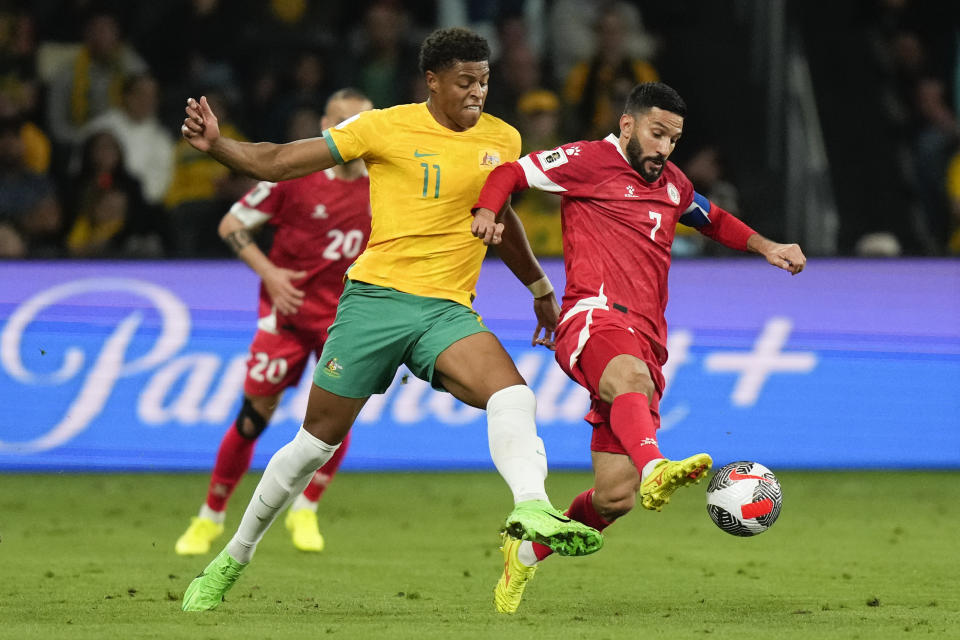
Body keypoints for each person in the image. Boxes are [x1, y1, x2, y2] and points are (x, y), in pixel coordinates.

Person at [178, 27, 603, 612]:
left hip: (447, 311)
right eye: (464, 82)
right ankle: (234, 557)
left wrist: (539, 287)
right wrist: (221, 146)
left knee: (513, 396)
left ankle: (530, 505)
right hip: (374, 303)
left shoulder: (503, 137)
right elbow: (277, 163)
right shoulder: (383, 126)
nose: (478, 92)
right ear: (432, 80)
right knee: (313, 444)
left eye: (484, 80)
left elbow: (500, 214)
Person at [471, 82, 807, 613]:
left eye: (673, 139)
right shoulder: (585, 160)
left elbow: (711, 218)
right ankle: (657, 467)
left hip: (647, 338)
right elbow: (510, 172)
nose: (664, 148)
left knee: (614, 496)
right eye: (656, 134)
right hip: (594, 316)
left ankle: (527, 553)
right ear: (627, 125)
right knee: (630, 377)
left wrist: (768, 246)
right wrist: (489, 211)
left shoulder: (671, 183)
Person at [174, 89, 374, 557]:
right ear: (325, 122)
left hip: (343, 321)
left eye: (358, 123)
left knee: (334, 422)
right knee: (250, 421)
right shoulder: (298, 174)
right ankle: (209, 517)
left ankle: (306, 508)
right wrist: (271, 273)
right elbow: (231, 225)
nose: (349, 132)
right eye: (340, 121)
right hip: (284, 316)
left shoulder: (386, 184)